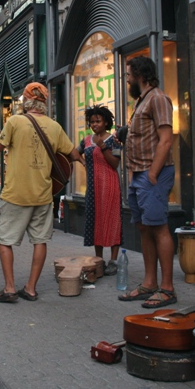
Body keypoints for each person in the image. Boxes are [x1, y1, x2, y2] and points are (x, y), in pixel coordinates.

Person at [0, 82, 83, 302]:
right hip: (43, 195)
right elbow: (73, 154)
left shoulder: (16, 122)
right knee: (39, 241)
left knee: (5, 240)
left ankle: (10, 289)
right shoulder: (54, 126)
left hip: (15, 195)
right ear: (44, 102)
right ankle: (30, 288)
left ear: (26, 100)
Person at [117, 56, 177, 309]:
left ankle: (168, 289)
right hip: (139, 174)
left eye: (129, 74)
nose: (127, 79)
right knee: (143, 227)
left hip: (153, 174)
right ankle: (149, 283)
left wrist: (153, 173)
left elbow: (166, 139)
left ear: (140, 75)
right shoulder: (141, 101)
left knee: (159, 227)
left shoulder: (158, 99)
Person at [81, 105, 123, 276]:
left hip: (110, 186)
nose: (95, 125)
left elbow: (115, 163)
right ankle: (99, 259)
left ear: (106, 122)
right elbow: (74, 153)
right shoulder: (86, 140)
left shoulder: (114, 140)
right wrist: (81, 162)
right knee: (95, 220)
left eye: (98, 121)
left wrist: (103, 147)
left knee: (113, 220)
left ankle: (113, 261)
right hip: (93, 187)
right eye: (92, 122)